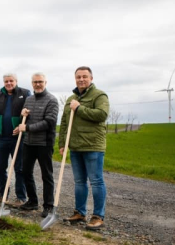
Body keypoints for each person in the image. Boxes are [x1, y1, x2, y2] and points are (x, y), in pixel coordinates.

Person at [59, 66, 109, 230]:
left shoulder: (99, 95)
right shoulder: (71, 99)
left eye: (84, 77)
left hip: (93, 145)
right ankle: (80, 213)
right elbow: (65, 123)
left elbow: (102, 115)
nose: (81, 79)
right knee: (79, 182)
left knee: (96, 181)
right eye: (78, 77)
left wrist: (79, 108)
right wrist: (62, 144)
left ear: (91, 78)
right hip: (75, 146)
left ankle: (98, 216)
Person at [18, 72, 59, 217]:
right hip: (28, 142)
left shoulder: (52, 100)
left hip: (44, 144)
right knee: (25, 172)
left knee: (46, 174)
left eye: (40, 81)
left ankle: (48, 205)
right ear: (32, 83)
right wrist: (22, 115)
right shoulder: (28, 99)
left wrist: (27, 128)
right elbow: (25, 121)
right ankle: (32, 201)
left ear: (45, 83)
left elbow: (49, 122)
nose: (37, 84)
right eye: (35, 82)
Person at [0, 73, 30, 206]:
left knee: (19, 168)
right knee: (0, 167)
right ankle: (3, 194)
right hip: (1, 137)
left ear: (16, 81)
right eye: (6, 81)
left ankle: (21, 197)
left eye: (11, 81)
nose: (9, 83)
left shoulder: (24, 93)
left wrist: (22, 125)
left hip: (17, 137)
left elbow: (30, 113)